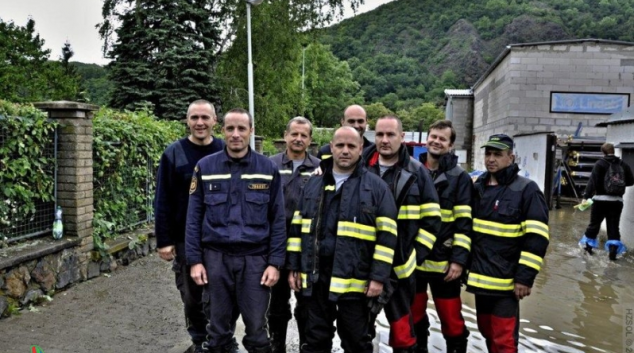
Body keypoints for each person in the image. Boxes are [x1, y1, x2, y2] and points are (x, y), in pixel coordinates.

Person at [287, 127, 398, 353]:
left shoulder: (377, 188)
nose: (345, 151)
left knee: (356, 343)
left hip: (356, 283)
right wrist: (294, 267)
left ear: (360, 149)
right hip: (317, 278)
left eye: (351, 146)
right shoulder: (313, 183)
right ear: (331, 147)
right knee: (315, 340)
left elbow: (387, 238)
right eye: (340, 146)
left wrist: (378, 278)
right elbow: (297, 229)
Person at [186, 108, 286, 353]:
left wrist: (275, 262)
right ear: (223, 130)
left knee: (256, 330)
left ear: (251, 131)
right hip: (215, 260)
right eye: (230, 128)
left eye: (242, 128)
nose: (236, 134)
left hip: (255, 261)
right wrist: (195, 261)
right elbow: (193, 218)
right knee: (218, 331)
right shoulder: (205, 167)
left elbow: (278, 219)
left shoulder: (267, 168)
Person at [154, 100, 237, 353]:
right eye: (194, 117)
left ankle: (223, 339)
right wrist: (164, 240)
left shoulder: (226, 150)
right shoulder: (174, 154)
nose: (199, 122)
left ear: (215, 122)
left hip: (221, 238)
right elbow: (163, 199)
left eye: (205, 117)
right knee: (191, 295)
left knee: (224, 292)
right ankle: (199, 340)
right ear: (187, 121)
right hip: (184, 239)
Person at [362, 116, 441, 353]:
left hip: (401, 269)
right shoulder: (361, 168)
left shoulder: (418, 173)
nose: (384, 140)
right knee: (360, 331)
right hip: (365, 266)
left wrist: (414, 257)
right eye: (379, 135)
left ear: (402, 137)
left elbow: (432, 221)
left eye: (390, 135)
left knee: (402, 334)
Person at [468, 134, 549, 352]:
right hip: (480, 282)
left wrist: (525, 278)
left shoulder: (527, 190)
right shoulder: (477, 188)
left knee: (504, 341)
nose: (491, 159)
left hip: (507, 285)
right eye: (488, 154)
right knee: (487, 333)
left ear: (511, 157)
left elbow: (537, 238)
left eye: (497, 154)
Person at [415, 120, 472, 353]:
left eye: (442, 139)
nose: (436, 141)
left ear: (450, 145)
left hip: (445, 265)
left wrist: (459, 260)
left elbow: (465, 224)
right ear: (426, 139)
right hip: (415, 262)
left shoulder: (460, 178)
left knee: (452, 322)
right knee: (415, 317)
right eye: (433, 137)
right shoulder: (413, 171)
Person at [268, 117, 320, 352]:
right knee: (277, 304)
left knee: (306, 304)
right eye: (294, 134)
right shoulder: (269, 165)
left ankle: (305, 346)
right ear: (286, 135)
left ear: (310, 139)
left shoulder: (320, 169)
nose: (299, 139)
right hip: (276, 244)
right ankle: (277, 344)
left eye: (304, 135)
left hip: (307, 248)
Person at [579, 142, 634, 260]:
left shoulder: (600, 164)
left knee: (594, 224)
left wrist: (586, 197)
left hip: (600, 201)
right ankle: (613, 254)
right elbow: (630, 181)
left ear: (603, 152)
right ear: (613, 151)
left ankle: (588, 250)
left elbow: (592, 181)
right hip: (617, 202)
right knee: (613, 226)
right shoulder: (623, 164)